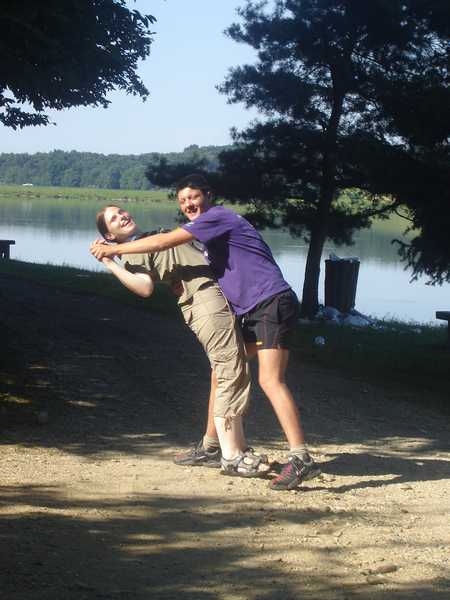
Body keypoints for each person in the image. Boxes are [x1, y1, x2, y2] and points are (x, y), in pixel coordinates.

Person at [91, 178, 321, 491]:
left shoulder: (214, 218)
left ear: (208, 196)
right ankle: (216, 447)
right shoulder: (160, 241)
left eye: (194, 197)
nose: (188, 204)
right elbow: (147, 282)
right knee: (224, 371)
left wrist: (113, 250)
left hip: (268, 300)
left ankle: (295, 456)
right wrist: (113, 261)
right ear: (108, 233)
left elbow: (164, 244)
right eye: (183, 200)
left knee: (265, 379)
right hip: (246, 307)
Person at [92, 204, 269, 478]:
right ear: (110, 236)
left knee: (228, 371)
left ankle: (223, 447)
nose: (122, 216)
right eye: (114, 219)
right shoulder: (134, 252)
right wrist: (109, 262)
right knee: (230, 371)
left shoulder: (152, 236)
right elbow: (144, 288)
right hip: (204, 302)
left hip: (224, 298)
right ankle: (232, 456)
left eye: (122, 211)